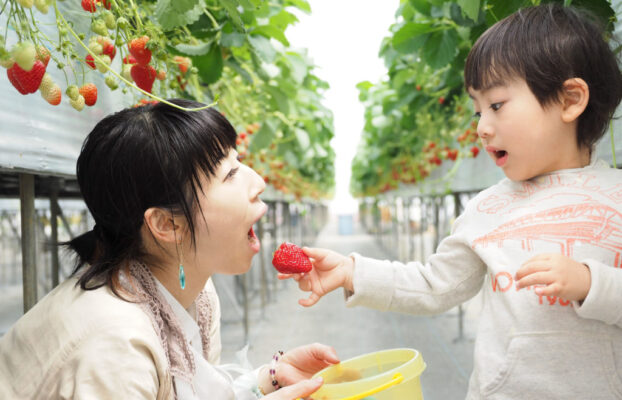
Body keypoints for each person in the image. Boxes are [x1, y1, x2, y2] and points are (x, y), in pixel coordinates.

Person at [282, 4, 622, 399]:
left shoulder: (616, 196)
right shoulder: (486, 209)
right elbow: (434, 284)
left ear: (569, 100)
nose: (481, 127)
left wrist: (590, 283)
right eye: (477, 110)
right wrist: (353, 272)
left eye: (496, 105)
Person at [0, 98, 338, 399]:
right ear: (167, 224)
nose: (259, 182)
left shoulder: (196, 293)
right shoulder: (116, 346)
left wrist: (268, 379)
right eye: (231, 173)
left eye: (239, 161)